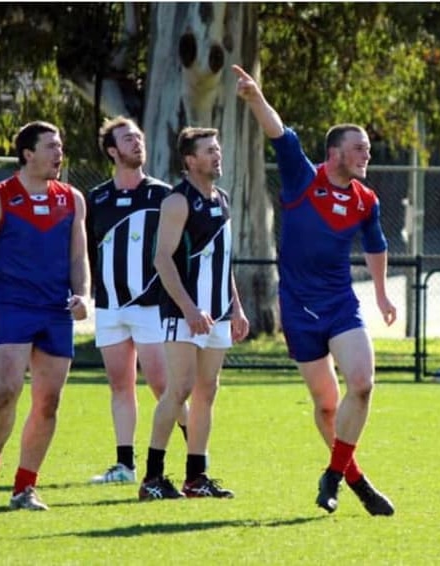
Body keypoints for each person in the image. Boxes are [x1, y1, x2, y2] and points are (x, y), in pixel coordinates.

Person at [233, 63, 396, 516]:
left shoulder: (367, 200)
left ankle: (332, 476)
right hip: (299, 308)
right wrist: (255, 98)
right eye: (359, 148)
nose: (367, 154)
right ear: (335, 153)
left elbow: (377, 246)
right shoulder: (304, 178)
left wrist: (381, 293)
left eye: (367, 148)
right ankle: (357, 482)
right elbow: (280, 133)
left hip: (341, 303)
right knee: (327, 406)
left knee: (361, 385)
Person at [0, 121, 89, 511]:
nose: (58, 153)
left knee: (48, 402)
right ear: (27, 153)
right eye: (50, 146)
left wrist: (82, 295)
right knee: (6, 389)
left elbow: (78, 256)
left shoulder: (72, 198)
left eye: (60, 145)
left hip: (55, 311)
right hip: (13, 308)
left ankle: (25, 488)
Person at [137, 126, 250, 500]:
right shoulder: (177, 201)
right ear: (190, 160)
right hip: (182, 311)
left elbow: (222, 259)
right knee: (180, 388)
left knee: (207, 391)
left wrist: (236, 307)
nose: (218, 155)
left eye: (218, 148)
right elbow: (162, 258)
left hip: (217, 313)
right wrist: (188, 308)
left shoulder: (223, 198)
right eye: (209, 150)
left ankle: (196, 478)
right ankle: (152, 477)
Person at [86, 116, 188, 484]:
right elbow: (87, 252)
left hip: (151, 307)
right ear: (112, 151)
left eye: (138, 137)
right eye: (127, 139)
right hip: (110, 307)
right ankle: (124, 466)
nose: (136, 143)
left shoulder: (163, 195)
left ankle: (196, 458)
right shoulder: (97, 198)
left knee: (163, 385)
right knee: (120, 385)